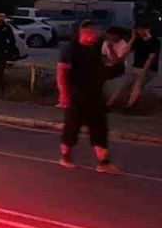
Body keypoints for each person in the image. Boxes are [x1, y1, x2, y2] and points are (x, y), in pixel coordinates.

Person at [58, 21, 118, 173]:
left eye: (97, 33)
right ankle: (65, 156)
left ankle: (103, 163)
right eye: (92, 32)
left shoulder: (99, 48)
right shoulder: (71, 49)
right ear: (83, 32)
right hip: (76, 95)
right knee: (72, 128)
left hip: (96, 96)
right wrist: (64, 94)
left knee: (100, 129)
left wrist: (110, 46)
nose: (95, 36)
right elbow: (61, 72)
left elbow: (114, 62)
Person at [111, 23, 159, 111]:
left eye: (141, 29)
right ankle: (110, 103)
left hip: (149, 69)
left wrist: (144, 71)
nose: (139, 32)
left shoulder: (154, 41)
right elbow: (126, 50)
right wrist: (133, 38)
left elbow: (150, 58)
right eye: (138, 30)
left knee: (137, 84)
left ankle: (129, 105)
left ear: (147, 29)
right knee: (123, 84)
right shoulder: (138, 40)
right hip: (136, 67)